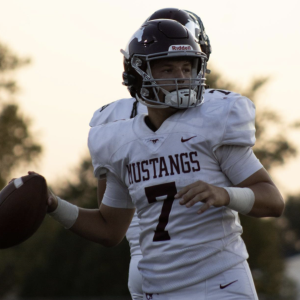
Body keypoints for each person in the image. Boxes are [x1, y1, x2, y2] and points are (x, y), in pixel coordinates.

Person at [47, 18, 284, 300]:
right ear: (138, 73)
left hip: (221, 285)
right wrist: (53, 205)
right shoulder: (119, 139)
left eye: (187, 68)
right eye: (168, 69)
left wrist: (225, 194)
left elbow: (272, 200)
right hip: (156, 291)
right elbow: (109, 230)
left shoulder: (212, 124)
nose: (182, 77)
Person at [89, 8, 211, 300]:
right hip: (199, 268)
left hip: (143, 267)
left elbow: (109, 218)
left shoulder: (110, 120)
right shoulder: (210, 114)